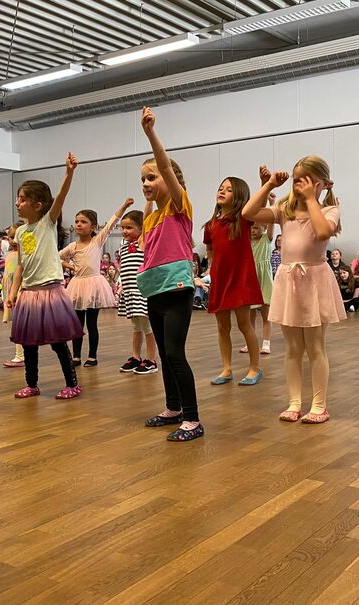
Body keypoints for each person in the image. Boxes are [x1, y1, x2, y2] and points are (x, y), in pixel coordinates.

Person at [243, 156, 345, 424]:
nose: (300, 186)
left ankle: (319, 405)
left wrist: (311, 200)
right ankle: (294, 402)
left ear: (323, 184)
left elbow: (322, 233)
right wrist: (268, 185)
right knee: (292, 348)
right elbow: (248, 213)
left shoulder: (329, 210)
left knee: (315, 346)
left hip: (314, 280)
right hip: (289, 280)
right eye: (297, 180)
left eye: (307, 181)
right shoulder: (284, 210)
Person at [138, 107, 202, 441]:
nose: (146, 183)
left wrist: (150, 133)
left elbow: (164, 165)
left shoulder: (180, 206)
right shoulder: (150, 219)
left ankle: (192, 419)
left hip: (177, 289)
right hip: (156, 291)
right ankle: (173, 408)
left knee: (176, 353)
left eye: (152, 177)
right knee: (164, 354)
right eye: (143, 180)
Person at [7, 154, 84, 400]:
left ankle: (72, 384)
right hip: (29, 293)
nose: (17, 203)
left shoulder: (47, 223)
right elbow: (20, 266)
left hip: (50, 291)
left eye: (22, 199)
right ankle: (32, 384)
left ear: (38, 205)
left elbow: (60, 197)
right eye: (18, 198)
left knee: (58, 342)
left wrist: (69, 173)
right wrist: (13, 292)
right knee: (28, 343)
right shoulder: (21, 231)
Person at [204, 174, 264, 386]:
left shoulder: (243, 220)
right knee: (222, 326)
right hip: (221, 281)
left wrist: (265, 184)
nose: (222, 191)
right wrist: (213, 268)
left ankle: (254, 367)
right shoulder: (210, 225)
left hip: (240, 280)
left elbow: (259, 206)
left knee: (244, 324)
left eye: (229, 190)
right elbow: (210, 249)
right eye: (221, 188)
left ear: (238, 197)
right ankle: (226, 368)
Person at [60, 203, 124, 367]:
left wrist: (124, 206)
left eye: (83, 222)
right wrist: (70, 267)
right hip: (77, 286)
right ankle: (76, 356)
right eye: (77, 221)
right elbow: (56, 257)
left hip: (93, 285)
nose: (79, 224)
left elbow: (111, 224)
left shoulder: (97, 241)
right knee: (77, 324)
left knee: (92, 324)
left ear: (93, 227)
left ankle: (92, 356)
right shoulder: (72, 247)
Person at [116, 208, 158, 374]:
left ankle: (151, 359)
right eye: (123, 228)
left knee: (147, 327)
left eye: (129, 227)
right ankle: (135, 356)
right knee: (136, 327)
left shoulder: (143, 243)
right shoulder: (123, 247)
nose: (124, 231)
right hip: (130, 292)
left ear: (141, 229)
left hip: (142, 292)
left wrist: (149, 200)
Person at [1, 223, 25, 368]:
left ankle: (20, 356)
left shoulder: (25, 255)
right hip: (10, 291)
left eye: (16, 237)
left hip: (20, 291)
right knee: (17, 323)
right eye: (11, 237)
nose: (13, 240)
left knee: (19, 323)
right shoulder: (9, 254)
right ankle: (20, 355)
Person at [248, 220, 274, 355]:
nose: (253, 230)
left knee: (266, 314)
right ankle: (250, 342)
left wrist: (271, 206)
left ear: (264, 228)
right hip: (251, 280)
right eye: (251, 228)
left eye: (256, 228)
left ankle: (266, 343)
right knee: (250, 315)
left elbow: (271, 222)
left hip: (264, 280)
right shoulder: (248, 242)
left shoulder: (266, 239)